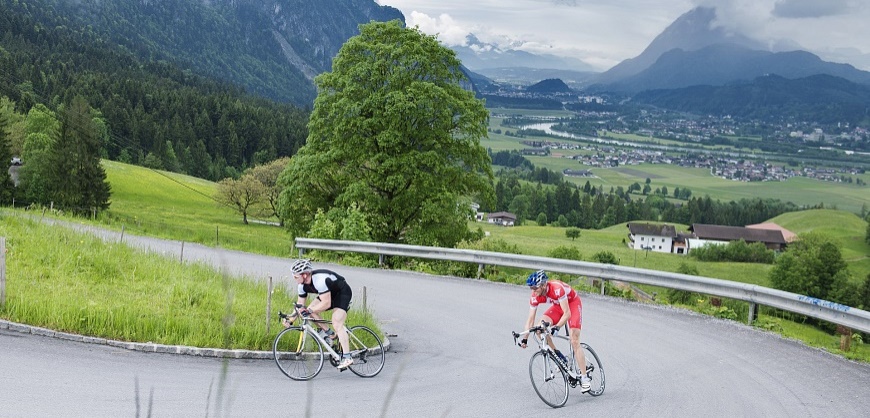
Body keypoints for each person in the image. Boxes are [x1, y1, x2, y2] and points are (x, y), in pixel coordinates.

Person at [518, 270, 591, 391]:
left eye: (535, 288)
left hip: (572, 304)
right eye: (531, 288)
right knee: (539, 328)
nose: (533, 291)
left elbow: (567, 313)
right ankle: (560, 356)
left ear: (543, 285)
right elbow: (530, 319)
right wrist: (525, 339)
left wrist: (557, 327)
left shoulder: (557, 289)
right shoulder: (535, 296)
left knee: (574, 340)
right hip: (558, 306)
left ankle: (584, 378)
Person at [283, 259, 354, 370]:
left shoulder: (320, 280)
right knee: (308, 311)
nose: (294, 279)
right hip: (328, 294)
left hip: (342, 292)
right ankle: (330, 334)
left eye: (296, 276)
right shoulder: (301, 285)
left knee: (336, 322)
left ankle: (347, 357)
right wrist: (291, 319)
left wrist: (310, 311)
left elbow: (326, 303)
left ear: (305, 275)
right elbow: (300, 306)